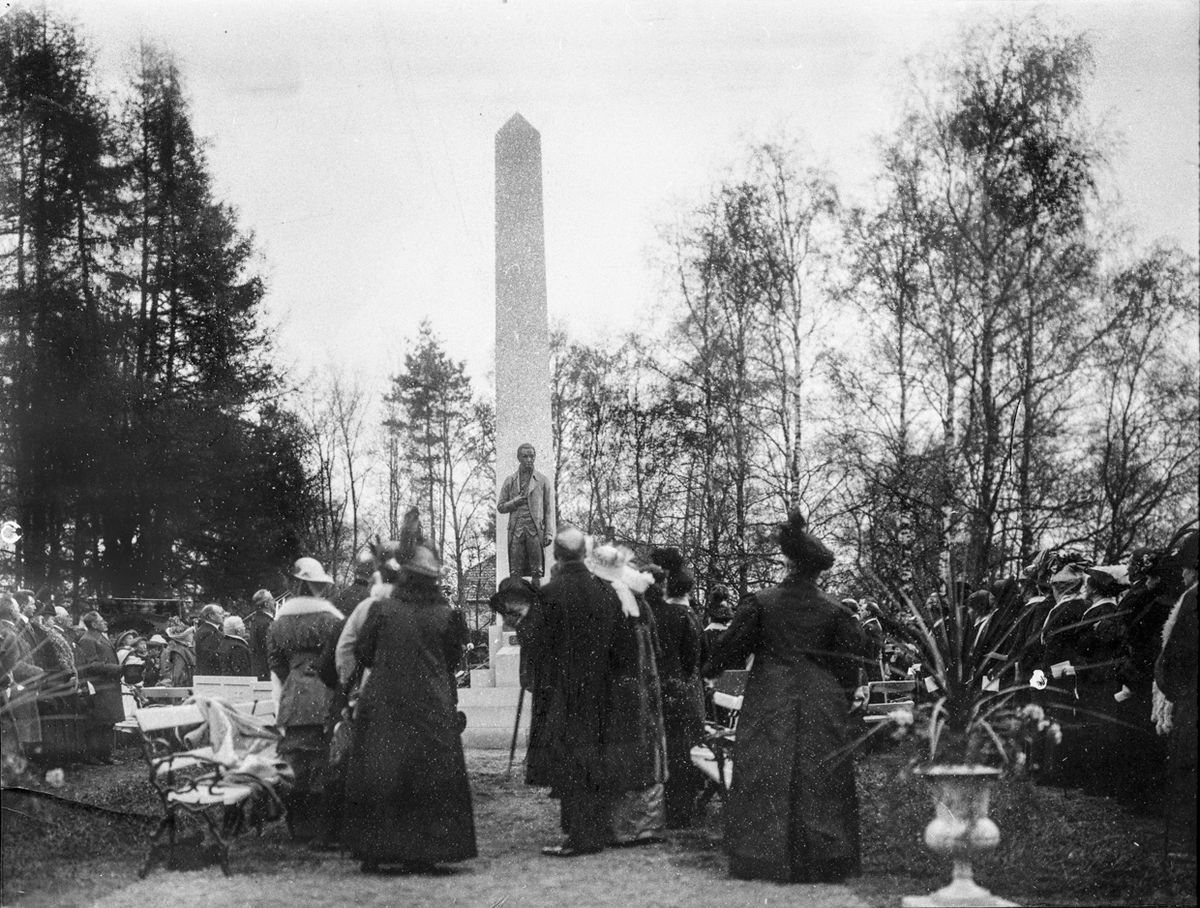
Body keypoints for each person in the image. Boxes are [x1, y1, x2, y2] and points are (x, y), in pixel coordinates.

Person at [704, 512, 869, 883]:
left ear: (790, 563)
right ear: (816, 571)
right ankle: (823, 859)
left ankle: (761, 858)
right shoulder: (836, 611)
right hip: (821, 700)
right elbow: (847, 668)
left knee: (767, 771)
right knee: (819, 776)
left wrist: (709, 666)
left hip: (771, 696)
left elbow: (728, 652)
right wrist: (842, 694)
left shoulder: (761, 603)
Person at [341, 509, 476, 872]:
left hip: (385, 700)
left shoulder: (382, 610)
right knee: (429, 773)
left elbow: (364, 653)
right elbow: (451, 660)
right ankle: (427, 851)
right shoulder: (446, 614)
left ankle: (377, 850)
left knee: (383, 771)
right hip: (431, 701)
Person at [520, 527, 621, 856]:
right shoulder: (605, 592)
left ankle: (579, 834)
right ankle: (593, 829)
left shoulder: (549, 594)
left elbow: (533, 643)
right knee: (594, 759)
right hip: (601, 690)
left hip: (561, 690)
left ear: (557, 556)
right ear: (583, 555)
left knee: (569, 761)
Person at [587, 544, 668, 846]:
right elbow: (654, 648)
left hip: (622, 688)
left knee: (624, 752)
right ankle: (647, 822)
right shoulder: (637, 596)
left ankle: (626, 826)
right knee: (645, 751)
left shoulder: (615, 597)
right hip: (643, 685)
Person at [268, 557, 345, 845]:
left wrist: (296, 676)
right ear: (317, 587)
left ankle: (298, 825)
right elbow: (342, 657)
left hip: (293, 696)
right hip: (325, 694)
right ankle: (323, 826)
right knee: (324, 759)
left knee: (294, 760)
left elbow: (275, 662)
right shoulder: (331, 620)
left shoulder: (279, 623)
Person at [648, 564, 707, 829]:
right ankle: (684, 808)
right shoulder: (691, 616)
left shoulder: (659, 613)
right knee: (686, 749)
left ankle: (668, 807)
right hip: (688, 691)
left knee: (670, 749)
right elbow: (697, 658)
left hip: (665, 689)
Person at [1154, 525, 1198, 863]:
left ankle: (1186, 845)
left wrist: (1173, 689)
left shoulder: (1193, 599)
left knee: (1187, 766)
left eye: (1186, 566)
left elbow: (1178, 652)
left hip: (1192, 698)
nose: (1182, 573)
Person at [497, 443, 555, 581]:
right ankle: (517, 600)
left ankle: (538, 601)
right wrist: (515, 502)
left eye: (532, 456)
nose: (529, 459)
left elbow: (548, 510)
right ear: (519, 458)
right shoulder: (510, 480)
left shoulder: (543, 481)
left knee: (537, 571)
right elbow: (501, 507)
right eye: (525, 456)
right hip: (516, 530)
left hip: (535, 531)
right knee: (515, 571)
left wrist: (549, 533)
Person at [74, 611, 124, 764]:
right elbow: (92, 665)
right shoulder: (88, 640)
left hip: (108, 685)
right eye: (102, 621)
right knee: (100, 723)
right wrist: (117, 668)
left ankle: (105, 754)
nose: (106, 623)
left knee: (108, 722)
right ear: (94, 624)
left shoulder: (99, 637)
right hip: (100, 686)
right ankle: (98, 756)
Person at [1, 595, 43, 756]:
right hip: (15, 690)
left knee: (20, 737)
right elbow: (12, 665)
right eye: (17, 607)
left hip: (21, 689)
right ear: (11, 610)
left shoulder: (12, 630)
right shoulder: (6, 631)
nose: (19, 610)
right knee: (14, 738)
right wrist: (38, 672)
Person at [245, 590, 275, 682]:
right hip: (267, 672)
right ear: (266, 604)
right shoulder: (266, 623)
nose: (274, 602)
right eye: (272, 600)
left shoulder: (257, 620)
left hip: (260, 670)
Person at [160, 620, 196, 687]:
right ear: (183, 636)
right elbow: (177, 675)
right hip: (184, 687)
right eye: (190, 633)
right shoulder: (179, 651)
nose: (193, 635)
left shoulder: (186, 649)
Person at [194, 604, 225, 676]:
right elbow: (210, 656)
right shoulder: (210, 633)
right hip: (211, 676)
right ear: (211, 616)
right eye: (220, 613)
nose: (223, 616)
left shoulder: (204, 629)